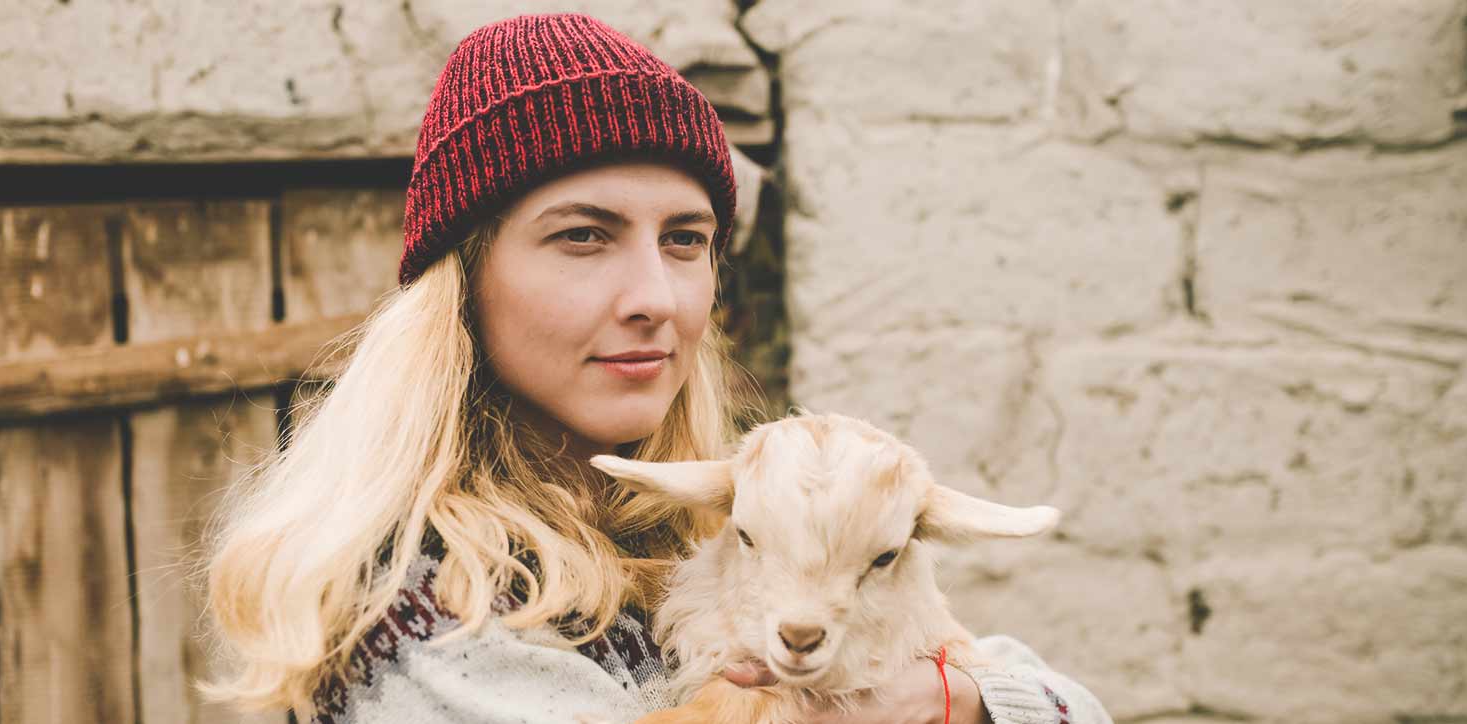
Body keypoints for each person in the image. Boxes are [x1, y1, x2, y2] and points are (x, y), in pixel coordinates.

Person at [200, 12, 1111, 724]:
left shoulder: (705, 531)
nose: (657, 297)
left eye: (686, 240)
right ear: (466, 280)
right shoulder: (418, 605)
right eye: (583, 237)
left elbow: (1070, 703)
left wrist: (958, 699)